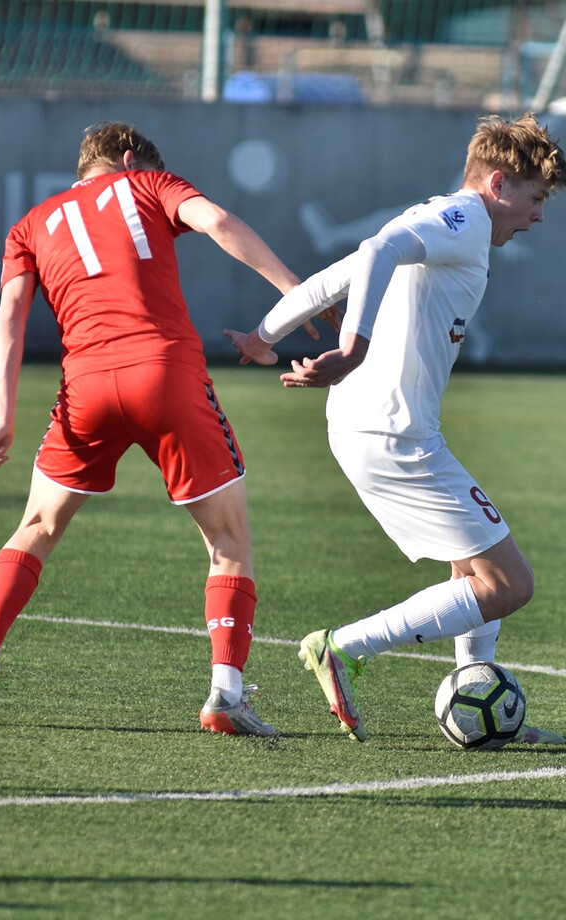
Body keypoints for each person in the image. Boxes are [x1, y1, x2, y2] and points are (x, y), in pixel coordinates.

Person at [0, 120, 315, 736]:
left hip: (85, 386)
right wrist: (299, 294)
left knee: (37, 526)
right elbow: (217, 222)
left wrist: (4, 412)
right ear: (130, 158)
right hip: (165, 373)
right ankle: (226, 693)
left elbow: (9, 316)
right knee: (228, 543)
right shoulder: (149, 183)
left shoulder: (30, 225)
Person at [225, 113, 566, 744]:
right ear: (498, 183)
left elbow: (341, 272)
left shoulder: (442, 218)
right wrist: (353, 349)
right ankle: (344, 647)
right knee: (511, 584)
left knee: (475, 564)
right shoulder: (463, 221)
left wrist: (263, 334)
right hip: (392, 434)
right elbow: (377, 253)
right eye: (537, 198)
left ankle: (478, 694)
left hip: (379, 428)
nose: (540, 215)